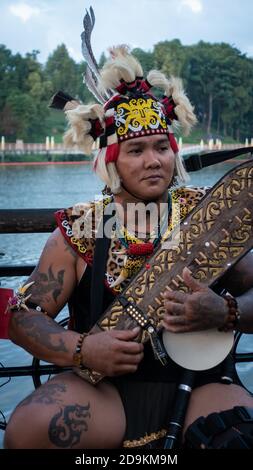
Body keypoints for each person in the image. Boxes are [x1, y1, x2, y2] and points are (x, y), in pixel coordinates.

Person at [4, 41, 253, 450]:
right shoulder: (80, 226)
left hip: (202, 387)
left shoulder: (208, 214)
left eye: (161, 147)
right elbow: (24, 317)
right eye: (136, 150)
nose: (153, 161)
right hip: (104, 393)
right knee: (29, 430)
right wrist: (84, 349)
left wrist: (226, 310)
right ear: (112, 161)